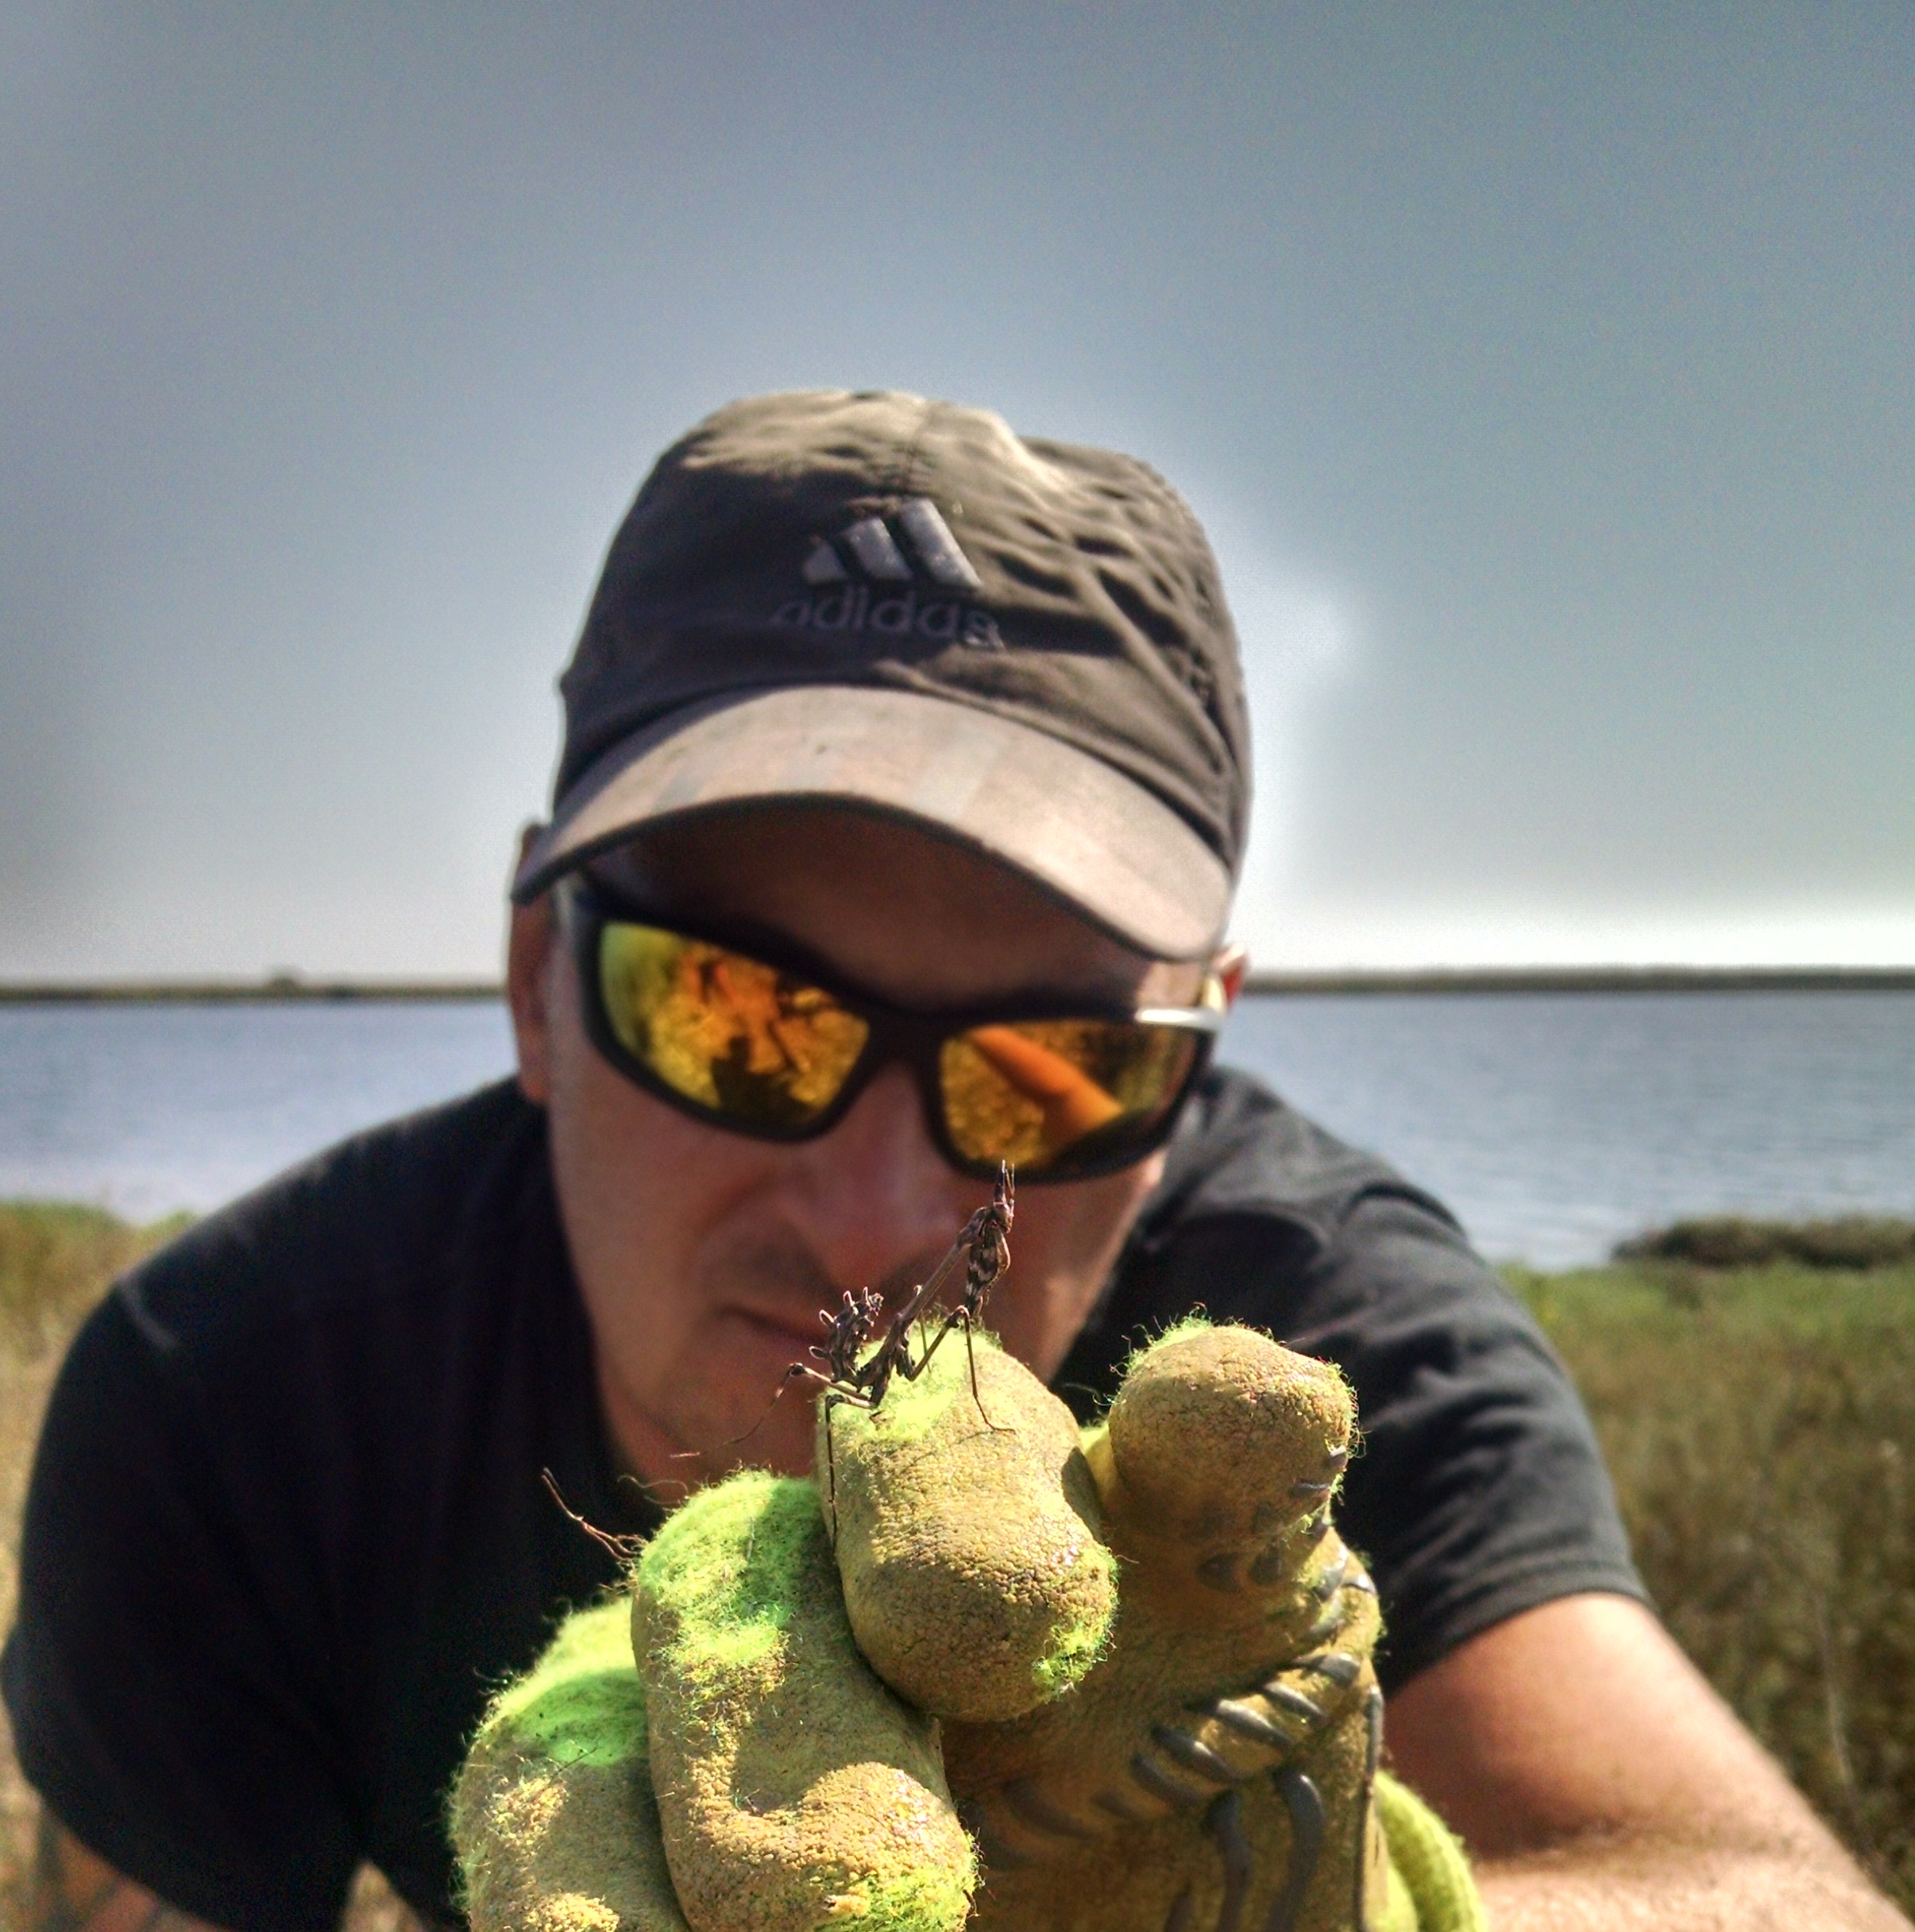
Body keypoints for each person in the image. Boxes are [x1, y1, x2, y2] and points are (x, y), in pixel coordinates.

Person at [6, 391, 1901, 1932]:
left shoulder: (1315, 1349)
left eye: (1051, 1068)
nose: (883, 1214)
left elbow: (1768, 1891)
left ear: (1203, 1030)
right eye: (741, 1012)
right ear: (534, 980)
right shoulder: (230, 1391)